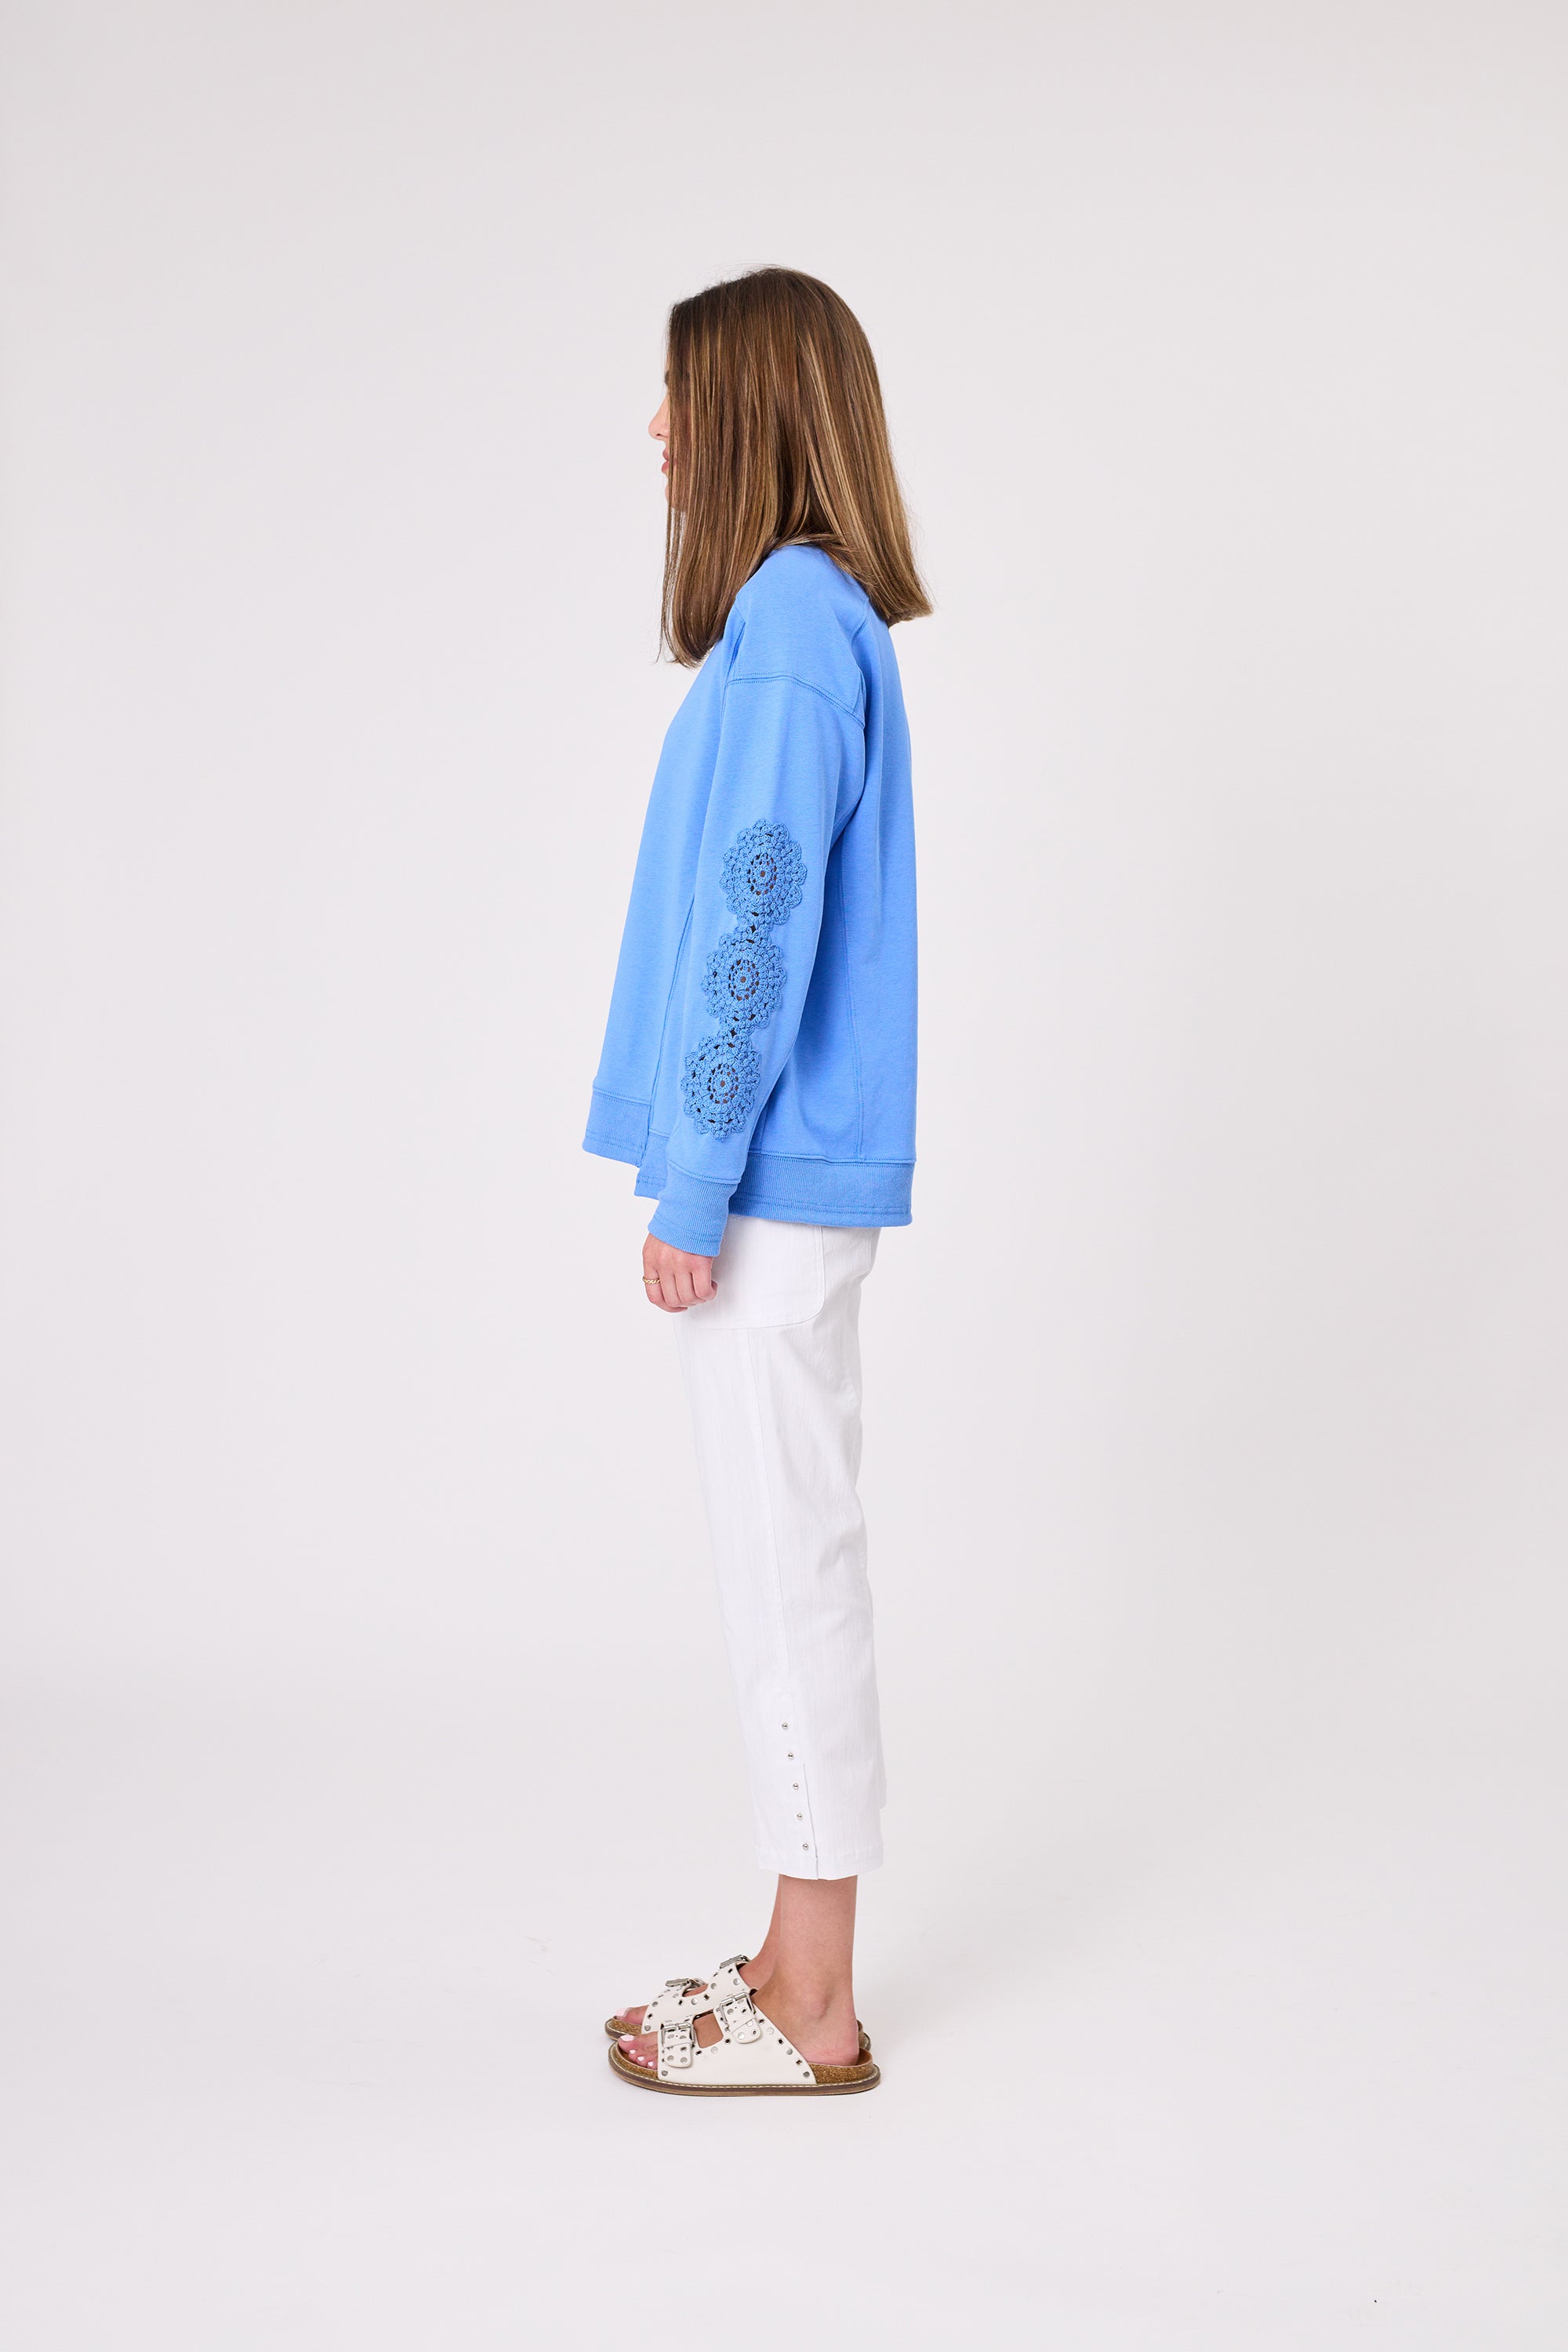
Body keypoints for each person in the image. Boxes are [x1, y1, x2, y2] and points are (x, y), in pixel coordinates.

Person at [583, 267, 928, 2096]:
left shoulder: (790, 626)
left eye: (678, 393)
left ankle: (816, 2006)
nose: (655, 428)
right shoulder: (799, 620)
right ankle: (796, 1955)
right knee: (783, 1559)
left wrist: (691, 1178)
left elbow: (753, 923)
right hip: (778, 1179)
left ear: (750, 412)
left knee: (789, 1574)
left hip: (768, 1187)